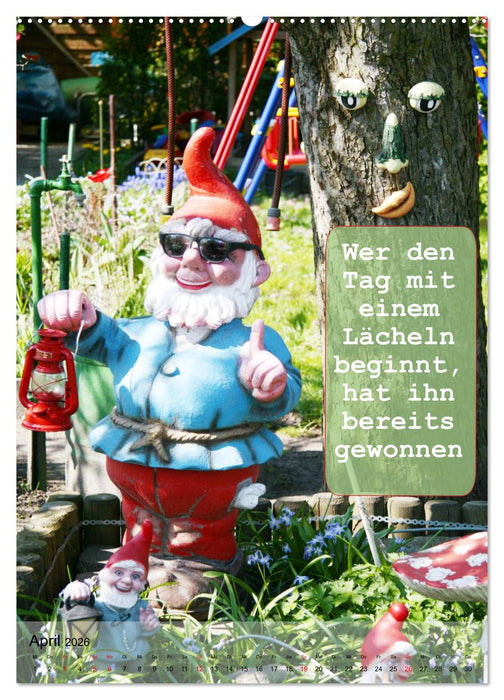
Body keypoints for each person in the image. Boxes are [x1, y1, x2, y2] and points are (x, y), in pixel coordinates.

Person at [39, 127, 302, 610]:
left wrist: (271, 385)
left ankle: (204, 567)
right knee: (140, 522)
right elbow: (98, 337)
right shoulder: (139, 331)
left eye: (217, 251)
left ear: (256, 270)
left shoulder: (250, 342)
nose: (192, 261)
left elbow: (286, 392)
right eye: (176, 244)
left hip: (212, 474)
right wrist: (78, 315)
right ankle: (140, 559)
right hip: (135, 468)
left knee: (203, 528)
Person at [61, 521, 160, 670]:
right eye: (118, 572)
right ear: (104, 575)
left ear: (142, 583)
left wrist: (150, 627)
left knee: (138, 677)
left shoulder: (142, 607)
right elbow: (68, 600)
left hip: (136, 657)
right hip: (104, 659)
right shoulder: (97, 605)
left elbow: (150, 631)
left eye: (135, 576)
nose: (126, 581)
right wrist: (74, 588)